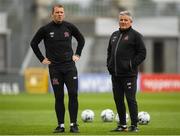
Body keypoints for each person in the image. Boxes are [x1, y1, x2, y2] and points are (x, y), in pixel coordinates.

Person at [30, 4, 85, 133]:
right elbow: (33, 43)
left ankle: (73, 124)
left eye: (61, 12)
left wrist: (77, 54)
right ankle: (61, 125)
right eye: (57, 12)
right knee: (59, 96)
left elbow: (81, 39)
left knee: (73, 94)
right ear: (52, 14)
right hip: (55, 68)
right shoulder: (45, 29)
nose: (60, 14)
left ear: (64, 14)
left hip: (69, 67)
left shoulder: (69, 27)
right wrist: (42, 59)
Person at [107, 11, 146, 132]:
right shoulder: (114, 35)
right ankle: (122, 125)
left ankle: (134, 125)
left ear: (130, 22)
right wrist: (109, 65)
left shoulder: (136, 36)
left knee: (130, 100)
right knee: (118, 100)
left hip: (129, 75)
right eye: (121, 20)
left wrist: (130, 65)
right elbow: (109, 52)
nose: (123, 22)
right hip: (115, 75)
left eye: (125, 20)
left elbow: (142, 53)